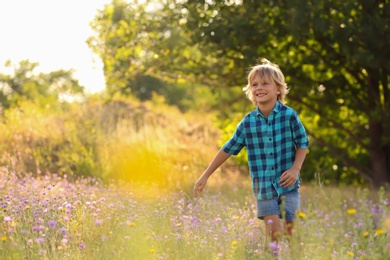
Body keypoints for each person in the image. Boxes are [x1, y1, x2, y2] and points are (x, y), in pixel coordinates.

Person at [193, 59, 309, 252]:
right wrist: (205, 175)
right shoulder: (247, 123)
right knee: (273, 234)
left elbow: (303, 143)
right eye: (255, 84)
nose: (259, 88)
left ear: (278, 89)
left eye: (265, 83)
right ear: (250, 90)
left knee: (290, 234)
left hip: (288, 186)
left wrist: (296, 169)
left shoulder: (289, 115)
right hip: (263, 188)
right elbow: (228, 149)